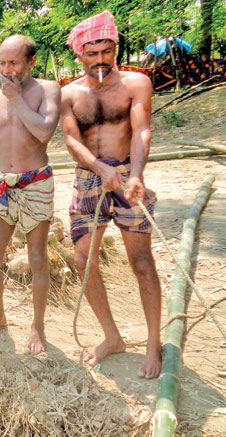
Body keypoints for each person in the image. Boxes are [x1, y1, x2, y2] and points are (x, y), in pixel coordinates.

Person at [61, 10, 162, 378]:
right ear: (80, 55)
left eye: (107, 51)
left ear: (115, 49)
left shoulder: (136, 84)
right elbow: (72, 139)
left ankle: (153, 344)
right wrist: (98, 168)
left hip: (127, 175)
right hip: (89, 180)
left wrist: (134, 174)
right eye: (92, 53)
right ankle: (112, 336)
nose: (100, 60)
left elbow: (141, 132)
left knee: (142, 263)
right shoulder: (69, 94)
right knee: (84, 261)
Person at [0, 35, 62, 354]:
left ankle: (37, 326)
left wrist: (17, 98)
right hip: (3, 187)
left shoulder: (46, 90)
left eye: (14, 63)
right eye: (2, 63)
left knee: (37, 260)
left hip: (36, 184)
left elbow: (45, 132)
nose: (7, 70)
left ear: (31, 62)